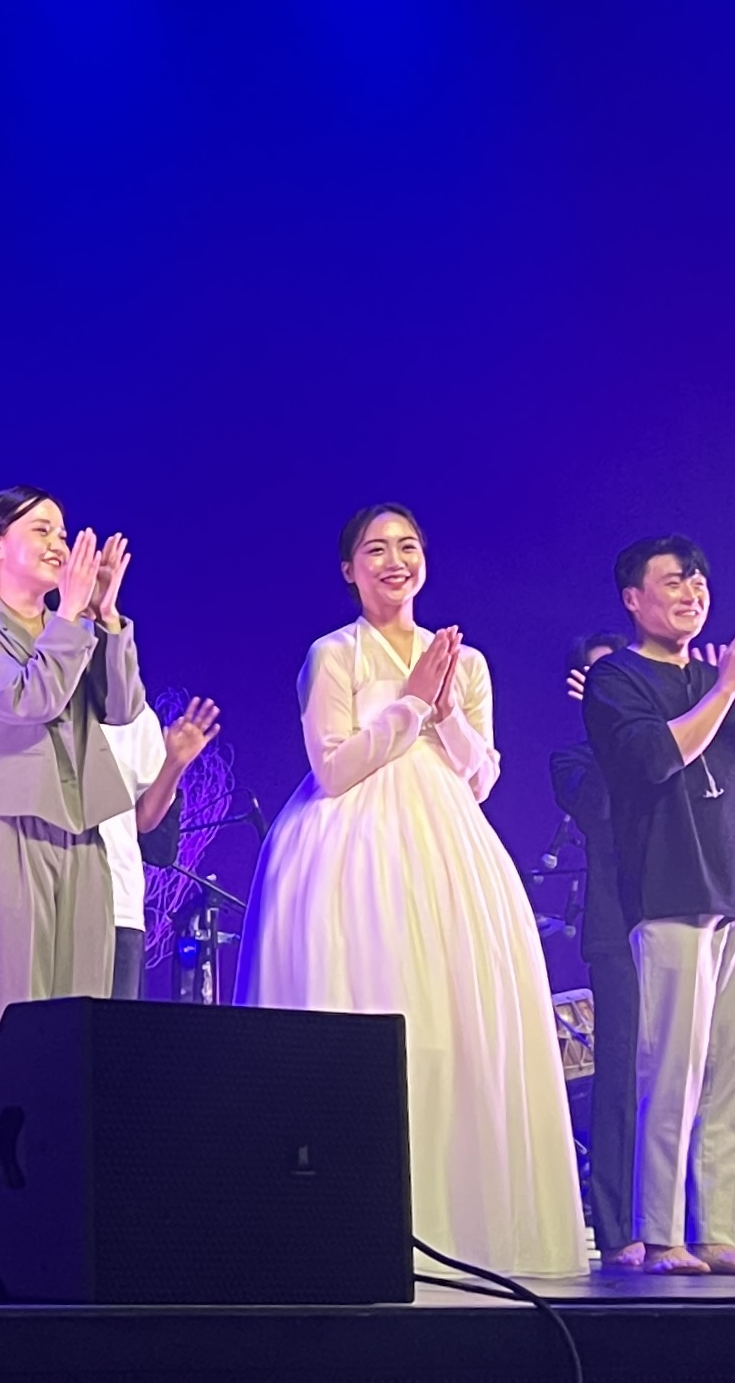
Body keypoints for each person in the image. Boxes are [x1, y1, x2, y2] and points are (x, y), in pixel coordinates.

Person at [237, 503, 583, 1278]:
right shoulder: (334, 653)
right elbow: (333, 768)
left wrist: (447, 709)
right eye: (376, 549)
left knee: (457, 1020)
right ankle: (352, 1226)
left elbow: (481, 778)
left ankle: (464, 1227)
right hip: (350, 847)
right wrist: (411, 705)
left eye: (407, 546)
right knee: (367, 1004)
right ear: (348, 569)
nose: (394, 561)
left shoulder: (466, 660)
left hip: (451, 847)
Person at [582, 536, 735, 1277]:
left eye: (699, 581)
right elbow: (654, 759)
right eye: (674, 581)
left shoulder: (724, 678)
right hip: (673, 889)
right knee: (671, 1069)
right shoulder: (617, 677)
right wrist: (726, 689)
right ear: (633, 598)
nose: (692, 591)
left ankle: (717, 1231)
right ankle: (660, 1234)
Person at [0, 488, 145, 1046]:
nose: (59, 544)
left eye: (62, 533)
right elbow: (29, 700)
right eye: (42, 530)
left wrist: (106, 617)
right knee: (14, 1022)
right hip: (6, 830)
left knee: (79, 1025)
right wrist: (73, 617)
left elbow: (123, 707)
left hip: (82, 831)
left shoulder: (73, 627)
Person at [550, 632, 639, 1259]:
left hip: (683, 918)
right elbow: (600, 810)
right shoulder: (574, 759)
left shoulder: (673, 739)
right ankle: (617, 1229)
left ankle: (692, 1219)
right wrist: (610, 730)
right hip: (617, 929)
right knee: (619, 1079)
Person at [99, 696, 223, 1000]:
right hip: (49, 892)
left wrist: (174, 763)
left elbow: (146, 823)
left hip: (118, 903)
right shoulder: (43, 700)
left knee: (112, 1025)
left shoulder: (138, 716)